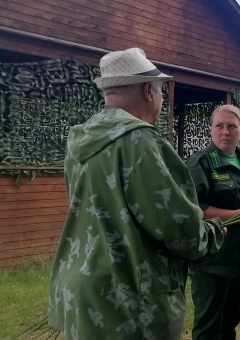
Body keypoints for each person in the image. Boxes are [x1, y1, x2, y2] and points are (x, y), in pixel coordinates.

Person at [47, 47, 225, 340]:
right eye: (161, 91)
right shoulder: (140, 140)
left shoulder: (80, 139)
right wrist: (213, 232)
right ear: (147, 91)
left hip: (80, 294)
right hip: (128, 303)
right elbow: (181, 231)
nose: (161, 98)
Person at [186, 104, 240, 340]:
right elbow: (193, 209)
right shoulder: (200, 163)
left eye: (231, 126)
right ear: (211, 130)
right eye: (219, 126)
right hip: (212, 256)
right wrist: (237, 216)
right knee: (208, 325)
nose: (225, 131)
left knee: (230, 320)